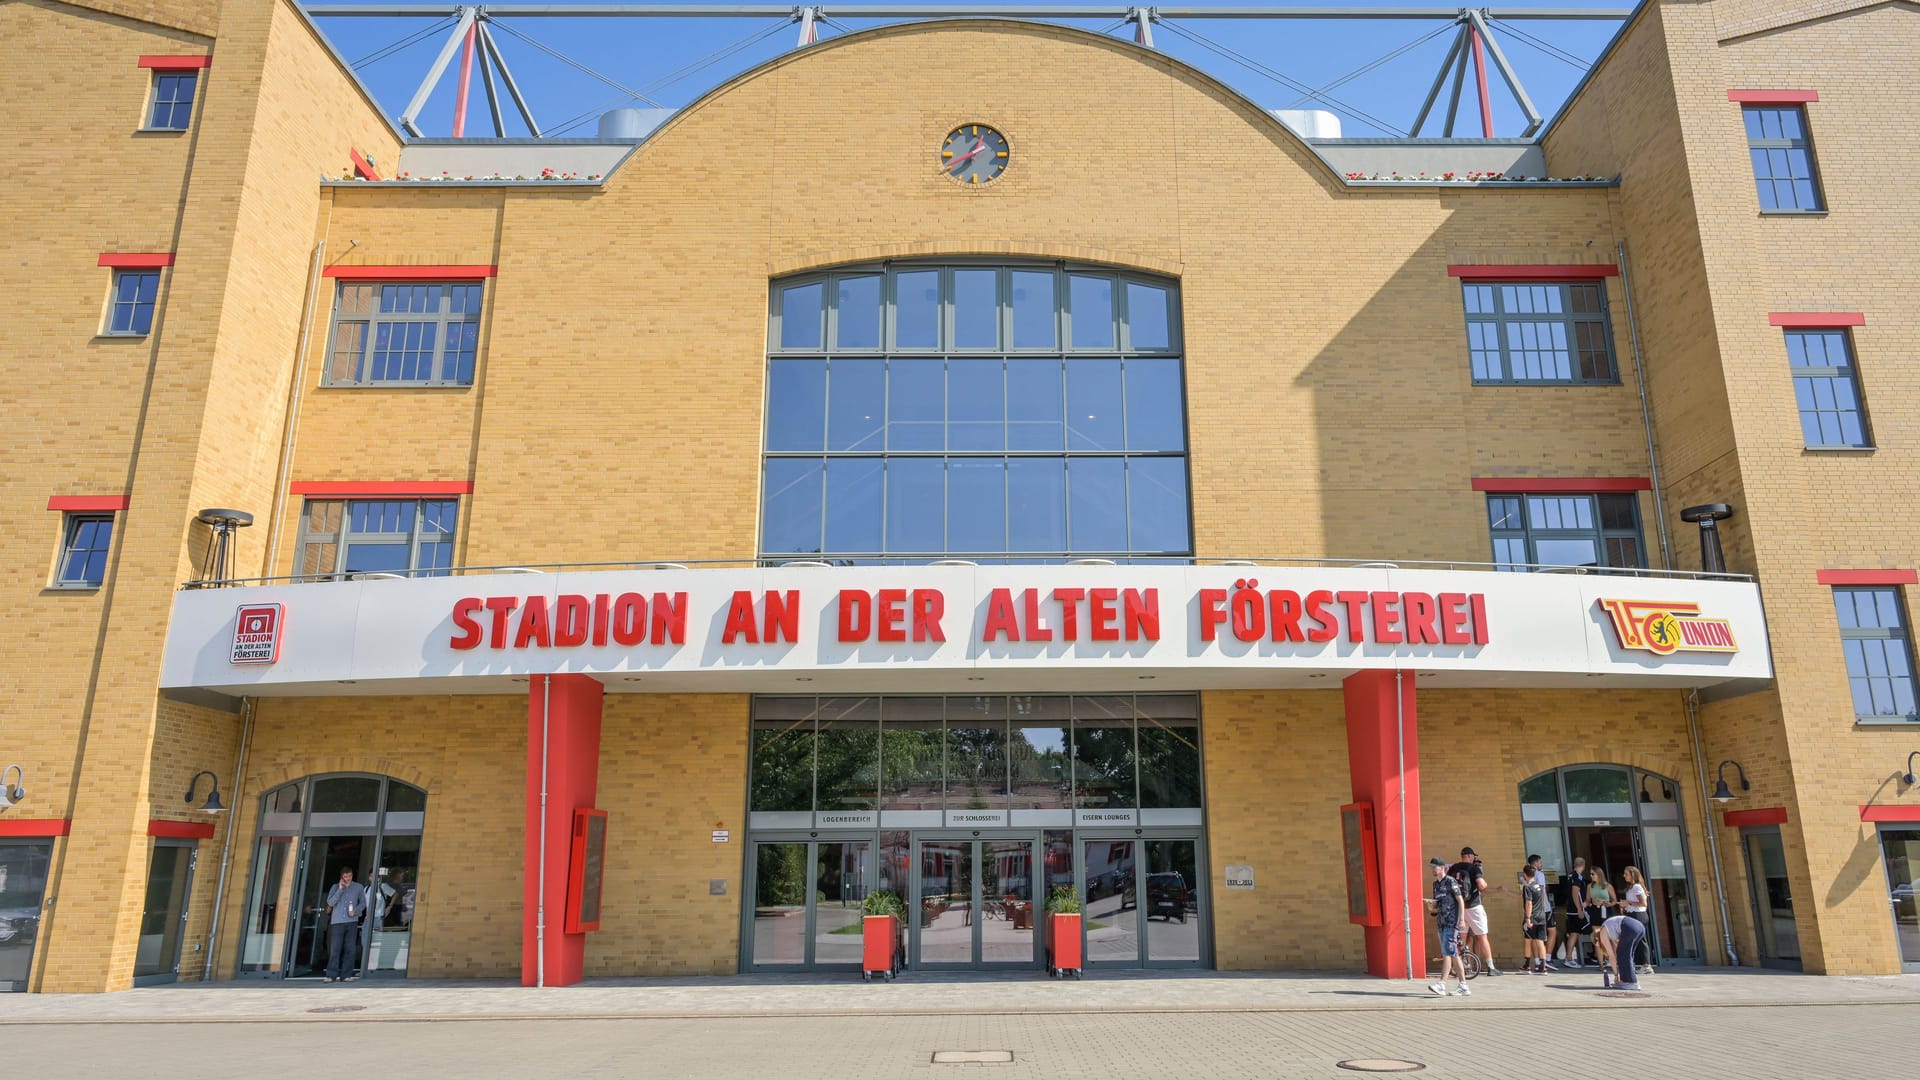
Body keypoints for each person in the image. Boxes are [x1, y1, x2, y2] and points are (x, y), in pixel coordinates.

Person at [1448, 848, 1502, 975]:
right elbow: (1482, 886)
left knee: (1461, 937)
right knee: (1482, 936)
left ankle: (1462, 965)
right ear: (1469, 856)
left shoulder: (1453, 868)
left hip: (1460, 908)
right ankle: (1491, 967)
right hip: (1474, 906)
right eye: (1473, 856)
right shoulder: (1474, 869)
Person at [1426, 857, 1470, 997]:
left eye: (1435, 867)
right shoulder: (1436, 885)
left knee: (1447, 953)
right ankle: (1463, 985)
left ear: (1442, 867)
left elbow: (1460, 900)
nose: (1433, 869)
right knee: (1452, 953)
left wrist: (1462, 919)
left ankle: (1442, 984)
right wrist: (1431, 908)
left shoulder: (1451, 881)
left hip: (1451, 922)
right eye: (1431, 867)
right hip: (1441, 922)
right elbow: (1437, 907)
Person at [325, 866, 369, 982]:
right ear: (341, 877)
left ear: (352, 875)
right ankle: (331, 975)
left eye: (349, 876)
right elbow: (330, 902)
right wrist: (340, 889)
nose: (348, 878)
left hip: (352, 921)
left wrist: (356, 911)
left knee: (350, 948)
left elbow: (363, 903)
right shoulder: (335, 887)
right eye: (345, 876)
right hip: (337, 922)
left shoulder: (358, 887)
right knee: (335, 949)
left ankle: (346, 975)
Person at [1593, 913, 1646, 991]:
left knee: (1623, 954)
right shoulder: (1610, 931)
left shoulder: (1602, 934)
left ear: (1597, 939)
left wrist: (1616, 975)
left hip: (1629, 927)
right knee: (1627, 954)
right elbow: (1617, 950)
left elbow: (1612, 957)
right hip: (1639, 927)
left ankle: (1630, 982)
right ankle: (1628, 980)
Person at [1525, 854, 1558, 970]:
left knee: (1533, 936)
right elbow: (1542, 892)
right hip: (1544, 909)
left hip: (1532, 910)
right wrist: (1543, 908)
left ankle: (1537, 960)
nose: (1541, 864)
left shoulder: (1525, 878)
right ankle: (1547, 958)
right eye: (1540, 862)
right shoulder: (1540, 875)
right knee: (1552, 932)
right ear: (1535, 863)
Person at [1621, 866, 1655, 974]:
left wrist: (1628, 903)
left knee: (1640, 939)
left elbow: (1643, 903)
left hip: (1639, 915)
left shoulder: (1637, 887)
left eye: (1626, 874)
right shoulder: (1630, 887)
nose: (1624, 876)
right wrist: (1625, 905)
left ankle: (1646, 965)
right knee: (1634, 939)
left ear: (1632, 875)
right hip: (1632, 914)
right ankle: (1639, 963)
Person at [1519, 864, 1551, 973]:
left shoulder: (1527, 887)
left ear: (1525, 874)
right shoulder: (1538, 886)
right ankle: (1543, 966)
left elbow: (1529, 903)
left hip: (1532, 917)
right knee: (1540, 941)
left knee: (1528, 940)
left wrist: (1527, 918)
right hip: (1541, 916)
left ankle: (1527, 965)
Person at [1560, 857, 1590, 967]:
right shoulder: (1577, 877)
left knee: (1574, 933)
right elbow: (1575, 892)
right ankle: (1569, 957)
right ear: (1583, 865)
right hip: (1575, 910)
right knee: (1577, 933)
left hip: (1570, 909)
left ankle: (1571, 957)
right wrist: (1579, 909)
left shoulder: (1570, 876)